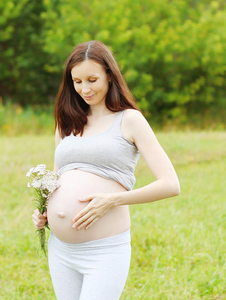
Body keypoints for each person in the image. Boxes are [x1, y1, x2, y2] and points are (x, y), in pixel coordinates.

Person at [32, 40, 180, 300]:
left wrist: (111, 200)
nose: (84, 89)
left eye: (92, 79)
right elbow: (55, 180)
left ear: (110, 76)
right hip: (62, 249)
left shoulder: (130, 120)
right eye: (77, 81)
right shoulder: (67, 122)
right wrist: (44, 212)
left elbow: (170, 184)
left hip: (105, 250)